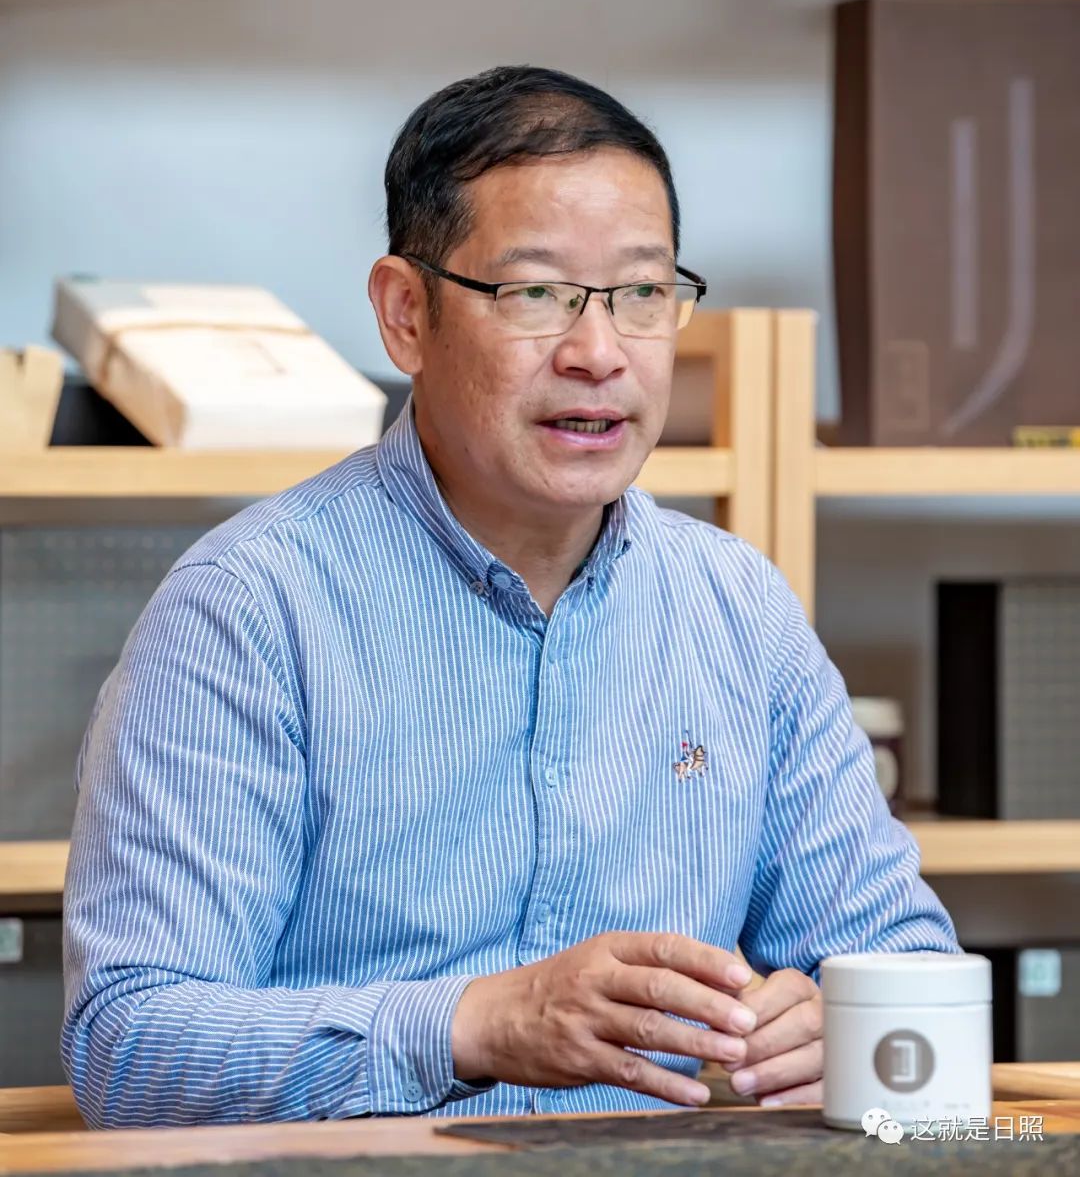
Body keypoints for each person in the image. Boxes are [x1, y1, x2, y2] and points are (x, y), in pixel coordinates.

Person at [62, 65, 960, 1128]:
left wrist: (842, 1022)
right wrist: (476, 1023)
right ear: (406, 315)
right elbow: (132, 1041)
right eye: (536, 295)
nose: (598, 354)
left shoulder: (737, 607)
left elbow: (907, 965)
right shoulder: (251, 611)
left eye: (642, 294)